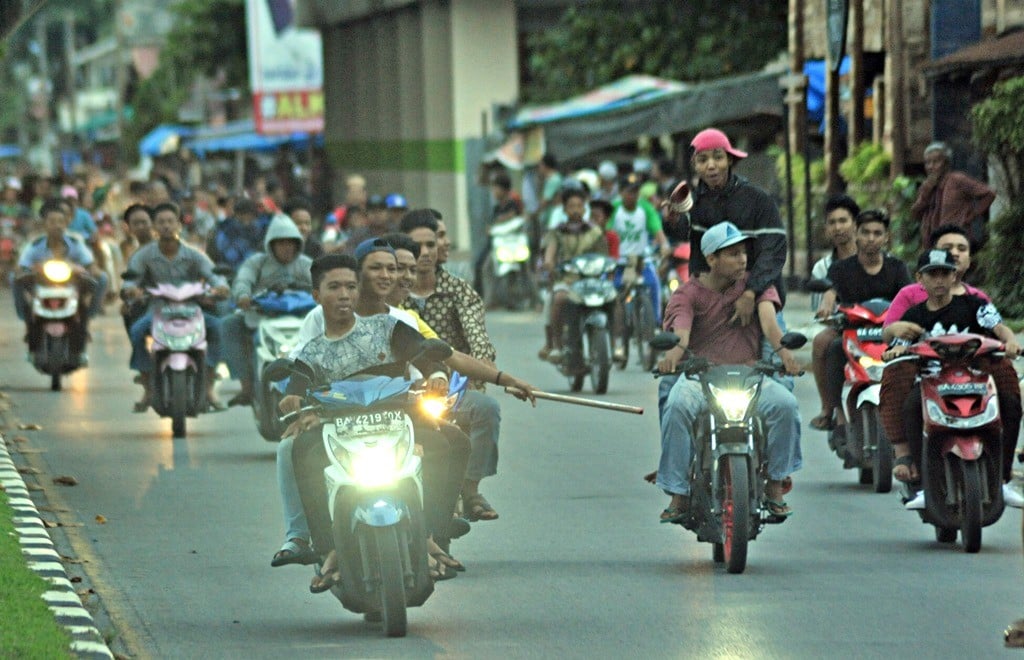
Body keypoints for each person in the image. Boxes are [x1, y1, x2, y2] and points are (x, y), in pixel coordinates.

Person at [280, 254, 534, 588]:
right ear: (316, 296)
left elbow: (433, 356)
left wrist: (447, 375)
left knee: (453, 441)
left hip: (400, 423)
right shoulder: (310, 353)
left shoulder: (389, 328)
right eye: (334, 287)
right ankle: (329, 549)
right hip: (340, 434)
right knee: (303, 451)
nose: (344, 294)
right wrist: (295, 402)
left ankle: (433, 536)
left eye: (350, 287)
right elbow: (295, 389)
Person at [657, 221, 802, 521]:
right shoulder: (687, 294)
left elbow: (769, 323)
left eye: (744, 253)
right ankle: (678, 494)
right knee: (676, 406)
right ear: (711, 259)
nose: (743, 260)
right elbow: (680, 334)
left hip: (750, 377)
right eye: (733, 254)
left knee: (786, 406)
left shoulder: (756, 287)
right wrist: (673, 355)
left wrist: (785, 354)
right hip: (701, 379)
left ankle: (775, 485)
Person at [880, 228, 1023, 508]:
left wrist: (1009, 342)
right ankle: (921, 483)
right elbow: (896, 344)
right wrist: (897, 348)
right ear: (920, 279)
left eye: (945, 273)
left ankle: (1003, 480)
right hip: (932, 382)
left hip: (976, 379)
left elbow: (999, 327)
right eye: (932, 274)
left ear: (954, 274)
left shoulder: (976, 304)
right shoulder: (914, 315)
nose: (939, 280)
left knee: (1009, 397)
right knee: (910, 405)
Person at [399, 210, 512, 522]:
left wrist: (484, 363)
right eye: (416, 247)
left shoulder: (460, 290)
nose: (425, 254)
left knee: (487, 409)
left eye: (431, 245)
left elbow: (475, 333)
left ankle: (470, 489)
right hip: (402, 393)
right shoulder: (392, 297)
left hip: (454, 390)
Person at [666, 128, 788, 321]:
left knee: (773, 348)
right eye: (703, 160)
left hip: (759, 301)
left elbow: (773, 250)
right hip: (710, 306)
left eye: (718, 157)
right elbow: (686, 235)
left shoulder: (758, 200)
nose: (711, 165)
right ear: (695, 165)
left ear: (730, 160)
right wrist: (673, 220)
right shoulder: (694, 203)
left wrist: (750, 293)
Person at [811, 209, 911, 434]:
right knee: (834, 348)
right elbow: (831, 290)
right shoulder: (840, 269)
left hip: (889, 333)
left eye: (877, 233)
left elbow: (909, 297)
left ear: (886, 237)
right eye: (865, 232)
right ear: (856, 234)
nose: (871, 238)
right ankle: (835, 411)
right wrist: (828, 302)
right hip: (852, 332)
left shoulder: (898, 268)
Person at [122, 202, 228, 412]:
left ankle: (208, 385)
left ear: (179, 225)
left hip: (192, 308)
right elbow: (130, 280)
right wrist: (131, 290)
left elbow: (215, 276)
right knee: (136, 331)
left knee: (218, 328)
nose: (166, 226)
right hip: (158, 309)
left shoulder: (194, 254)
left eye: (171, 221)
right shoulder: (144, 255)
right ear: (154, 227)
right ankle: (148, 386)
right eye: (161, 222)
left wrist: (220, 288)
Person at [222, 214, 313, 407]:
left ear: (298, 244)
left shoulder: (305, 264)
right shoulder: (257, 262)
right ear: (270, 244)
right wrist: (243, 295)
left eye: (291, 243)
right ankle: (246, 385)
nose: (287, 247)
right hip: (260, 317)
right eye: (281, 243)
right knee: (228, 325)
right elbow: (243, 279)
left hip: (301, 318)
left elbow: (321, 282)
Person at [14, 199, 107, 361]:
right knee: (15, 283)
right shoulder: (35, 245)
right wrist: (27, 270)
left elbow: (90, 264)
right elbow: (22, 266)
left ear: (67, 223)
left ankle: (82, 340)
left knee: (101, 282)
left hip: (71, 288)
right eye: (52, 221)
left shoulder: (76, 243)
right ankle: (30, 335)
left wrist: (89, 270)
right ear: (44, 224)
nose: (57, 225)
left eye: (61, 222)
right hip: (41, 288)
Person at [539, 187, 609, 363]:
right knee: (558, 298)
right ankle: (556, 346)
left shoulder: (595, 232)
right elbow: (550, 252)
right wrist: (549, 262)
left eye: (579, 206)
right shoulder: (557, 232)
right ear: (564, 209)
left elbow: (604, 257)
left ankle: (617, 346)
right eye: (571, 206)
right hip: (567, 280)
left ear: (585, 209)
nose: (576, 210)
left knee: (614, 299)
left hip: (590, 281)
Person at [807, 195, 860, 426]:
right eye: (832, 222)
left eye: (843, 220)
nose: (838, 227)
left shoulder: (874, 258)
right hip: (842, 329)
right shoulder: (823, 267)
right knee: (821, 341)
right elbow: (820, 311)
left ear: (855, 223)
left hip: (878, 327)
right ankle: (828, 408)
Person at [607, 173, 671, 361]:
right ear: (621, 193)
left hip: (642, 261)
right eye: (628, 192)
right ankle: (616, 341)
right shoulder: (614, 209)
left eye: (635, 192)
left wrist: (665, 246)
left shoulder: (646, 208)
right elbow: (606, 234)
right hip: (619, 263)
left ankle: (657, 326)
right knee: (613, 297)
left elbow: (658, 232)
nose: (632, 196)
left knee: (654, 286)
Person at [910, 141, 995, 249]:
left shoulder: (957, 179)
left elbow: (989, 194)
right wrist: (926, 192)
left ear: (946, 163)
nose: (931, 166)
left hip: (956, 241)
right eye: (928, 162)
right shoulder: (927, 186)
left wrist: (971, 215)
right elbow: (915, 214)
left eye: (936, 162)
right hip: (933, 244)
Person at [473, 171, 524, 295]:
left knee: (524, 270)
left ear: (503, 189)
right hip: (495, 244)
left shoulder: (512, 205)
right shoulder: (497, 208)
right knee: (481, 265)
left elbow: (513, 219)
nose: (493, 191)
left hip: (511, 244)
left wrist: (499, 223)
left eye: (495, 188)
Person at [118, 204, 155, 333]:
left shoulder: (164, 245)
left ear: (153, 223)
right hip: (144, 300)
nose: (140, 227)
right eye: (136, 223)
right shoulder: (130, 251)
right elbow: (128, 280)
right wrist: (128, 294)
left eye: (144, 222)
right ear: (129, 227)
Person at [206, 196, 265, 273]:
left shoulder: (259, 230)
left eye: (248, 214)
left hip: (253, 271)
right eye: (242, 214)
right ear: (236, 215)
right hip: (229, 272)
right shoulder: (226, 230)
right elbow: (224, 253)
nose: (246, 218)